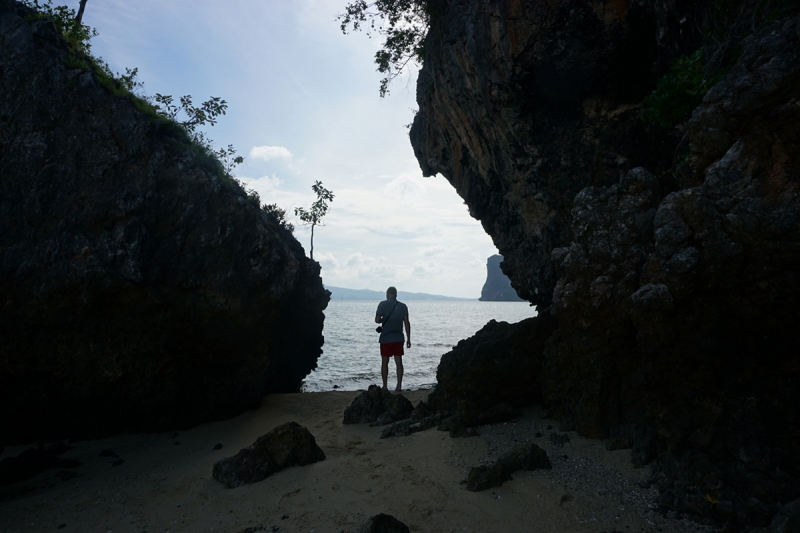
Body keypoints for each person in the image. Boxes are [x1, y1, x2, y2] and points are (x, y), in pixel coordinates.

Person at [374, 286, 411, 391]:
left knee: (385, 363)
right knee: (398, 362)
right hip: (399, 338)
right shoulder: (403, 306)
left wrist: (382, 320)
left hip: (386, 338)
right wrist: (408, 339)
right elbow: (407, 323)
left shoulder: (382, 304)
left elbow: (377, 320)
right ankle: (399, 386)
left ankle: (385, 386)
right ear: (395, 294)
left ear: (388, 294)